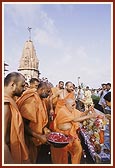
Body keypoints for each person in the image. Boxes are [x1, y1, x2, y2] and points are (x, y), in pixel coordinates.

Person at [51, 98, 98, 164]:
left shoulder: (72, 109)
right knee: (62, 157)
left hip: (71, 134)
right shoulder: (62, 110)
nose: (74, 107)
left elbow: (80, 115)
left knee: (78, 150)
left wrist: (88, 111)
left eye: (74, 105)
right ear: (66, 104)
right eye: (72, 105)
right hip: (62, 136)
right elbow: (75, 120)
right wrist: (89, 116)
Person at [16, 81, 51, 163]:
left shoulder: (40, 99)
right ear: (42, 89)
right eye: (48, 91)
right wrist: (39, 136)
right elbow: (23, 124)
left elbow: (39, 119)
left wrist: (44, 128)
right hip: (28, 140)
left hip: (35, 138)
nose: (49, 94)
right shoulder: (32, 101)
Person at [4, 72, 30, 164]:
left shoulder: (11, 100)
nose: (24, 89)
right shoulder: (5, 104)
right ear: (13, 85)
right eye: (22, 86)